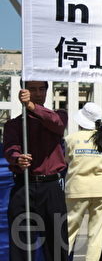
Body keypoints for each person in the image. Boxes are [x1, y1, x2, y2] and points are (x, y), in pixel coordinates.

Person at [3, 80, 69, 261]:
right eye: (32, 89)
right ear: (23, 91)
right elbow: (10, 148)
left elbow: (56, 124)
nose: (38, 93)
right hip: (24, 185)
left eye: (41, 89)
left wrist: (32, 106)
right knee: (20, 243)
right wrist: (18, 158)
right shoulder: (13, 125)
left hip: (52, 187)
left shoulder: (59, 115)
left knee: (57, 245)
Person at [64, 102, 102, 261]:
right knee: (96, 236)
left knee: (67, 233)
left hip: (77, 189)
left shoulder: (70, 139)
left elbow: (65, 161)